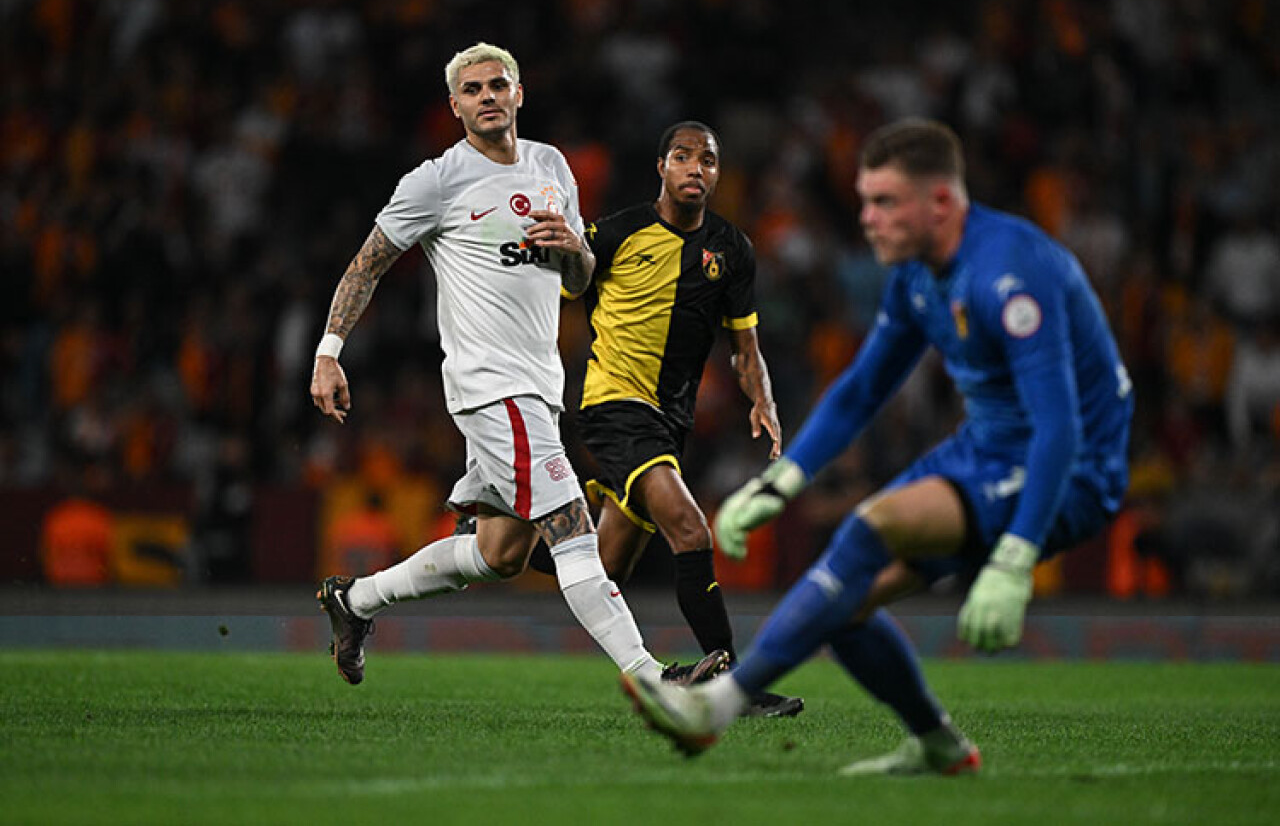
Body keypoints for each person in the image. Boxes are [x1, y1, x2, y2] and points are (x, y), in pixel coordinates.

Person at [621, 119, 1134, 775]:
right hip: (986, 448)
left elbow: (1059, 426)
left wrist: (1016, 556)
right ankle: (937, 744)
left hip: (1071, 466)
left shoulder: (1012, 271)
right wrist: (782, 481)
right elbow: (863, 388)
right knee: (844, 601)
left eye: (886, 202)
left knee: (868, 530)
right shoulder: (916, 274)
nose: (868, 219)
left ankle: (717, 705)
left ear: (940, 202)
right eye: (865, 201)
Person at [309, 42, 722, 688]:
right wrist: (328, 353)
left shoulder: (551, 165)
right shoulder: (436, 181)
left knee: (501, 552)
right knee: (572, 525)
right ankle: (652, 679)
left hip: (539, 386)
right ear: (455, 106)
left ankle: (355, 600)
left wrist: (573, 249)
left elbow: (580, 279)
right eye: (472, 90)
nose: (487, 97)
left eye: (498, 85)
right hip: (489, 386)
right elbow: (367, 264)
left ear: (518, 94)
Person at [534, 121, 801, 717]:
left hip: (670, 422)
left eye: (707, 160)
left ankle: (501, 537)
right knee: (691, 529)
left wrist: (763, 399)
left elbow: (745, 346)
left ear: (717, 173)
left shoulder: (732, 249)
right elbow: (555, 285)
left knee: (601, 567)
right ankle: (733, 685)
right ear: (661, 167)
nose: (695, 168)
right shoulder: (618, 233)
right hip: (614, 406)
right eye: (682, 157)